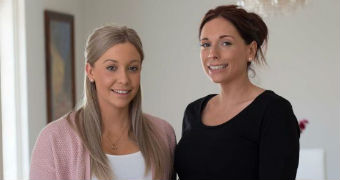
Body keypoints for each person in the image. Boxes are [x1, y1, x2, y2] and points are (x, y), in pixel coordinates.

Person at [30, 25, 176, 180]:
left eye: (132, 68)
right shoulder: (54, 139)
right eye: (111, 67)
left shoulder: (163, 134)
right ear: (90, 71)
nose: (124, 79)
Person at [174, 5, 300, 180]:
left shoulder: (274, 111)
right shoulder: (193, 112)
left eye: (225, 43)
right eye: (205, 44)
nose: (212, 53)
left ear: (250, 50)